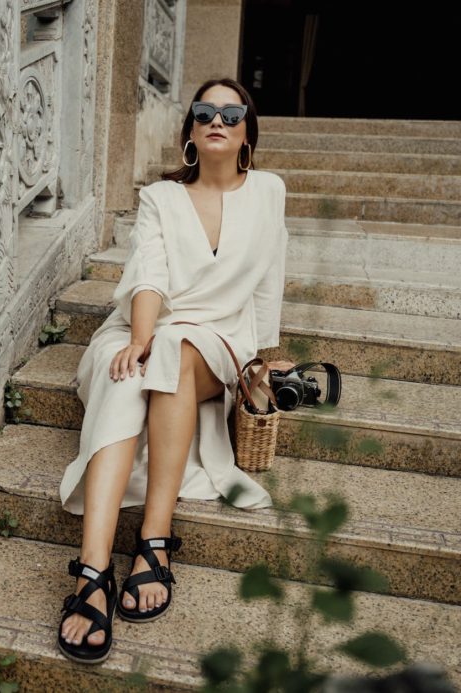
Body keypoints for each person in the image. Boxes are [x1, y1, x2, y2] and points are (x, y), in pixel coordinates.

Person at [56, 78, 294, 664]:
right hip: (145, 326)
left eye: (230, 111)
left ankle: (153, 539)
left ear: (246, 132)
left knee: (175, 350)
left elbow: (269, 282)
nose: (217, 118)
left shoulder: (269, 191)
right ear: (189, 131)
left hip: (217, 341)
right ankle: (92, 572)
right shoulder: (160, 198)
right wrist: (139, 338)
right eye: (204, 111)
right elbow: (150, 277)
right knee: (124, 382)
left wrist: (262, 358)